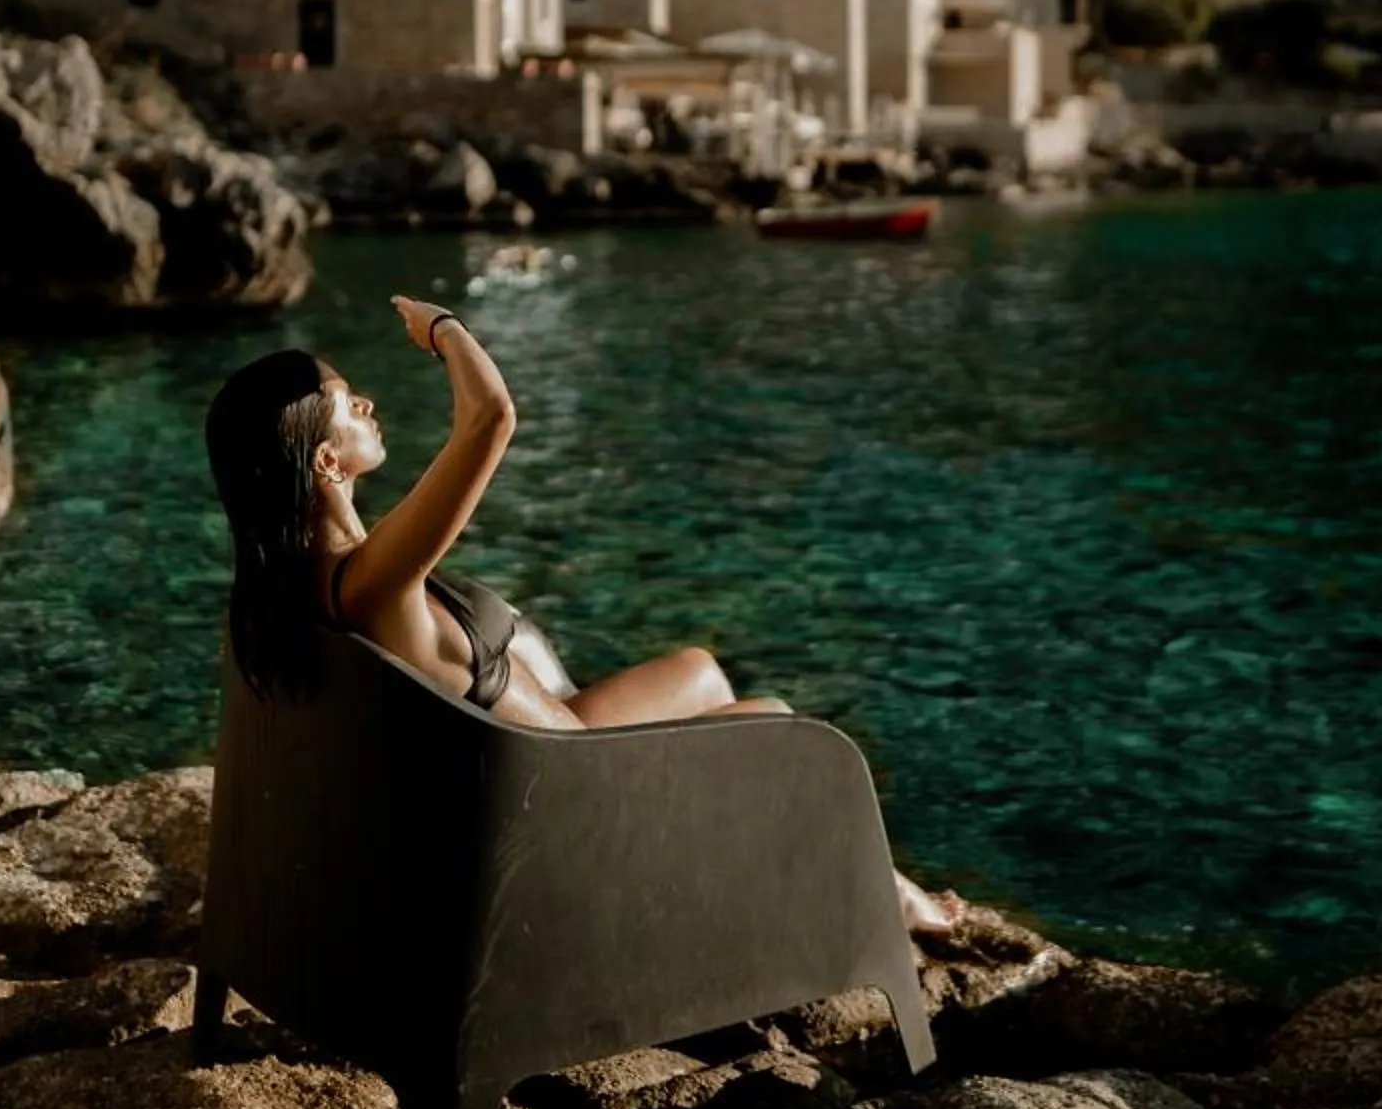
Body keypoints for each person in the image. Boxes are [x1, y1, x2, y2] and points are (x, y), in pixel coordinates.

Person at [204, 296, 960, 935]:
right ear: (326, 462)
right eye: (347, 401)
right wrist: (444, 330)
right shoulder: (372, 582)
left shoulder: (288, 590)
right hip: (573, 797)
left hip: (550, 752)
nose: (366, 403)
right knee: (786, 733)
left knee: (700, 671)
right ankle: (896, 903)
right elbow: (490, 419)